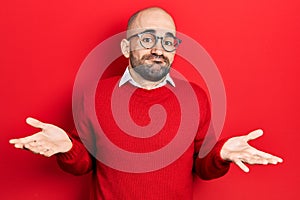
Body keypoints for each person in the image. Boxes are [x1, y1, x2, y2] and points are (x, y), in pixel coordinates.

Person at [9, 7, 283, 200]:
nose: (158, 49)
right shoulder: (95, 95)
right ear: (127, 48)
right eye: (148, 38)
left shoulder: (195, 97)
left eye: (168, 41)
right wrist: (68, 148)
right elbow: (83, 165)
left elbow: (202, 167)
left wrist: (221, 154)